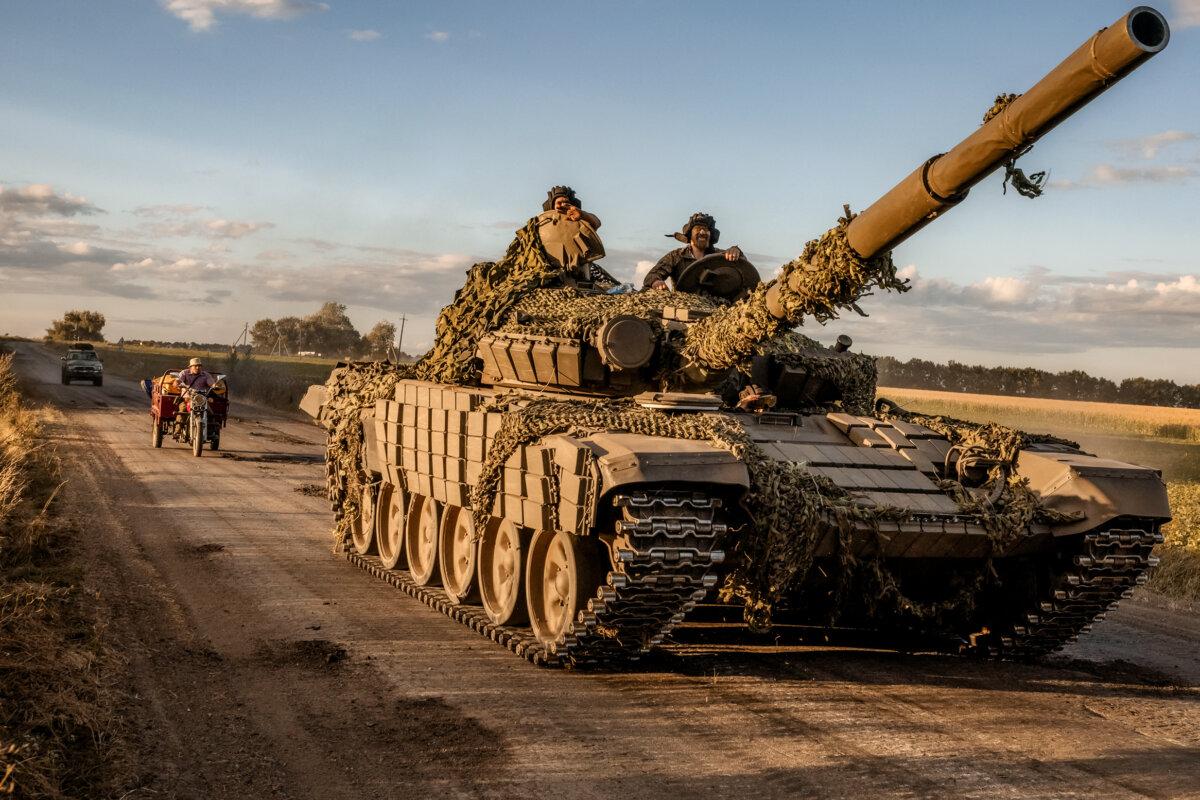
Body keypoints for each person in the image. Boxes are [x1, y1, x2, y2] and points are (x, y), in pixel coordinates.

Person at [643, 212, 743, 291]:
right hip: (685, 305)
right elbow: (653, 275)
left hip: (715, 306)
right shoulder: (676, 256)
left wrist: (736, 251)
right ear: (690, 234)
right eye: (698, 229)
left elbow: (744, 268)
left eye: (706, 229)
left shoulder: (719, 256)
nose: (702, 232)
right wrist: (656, 282)